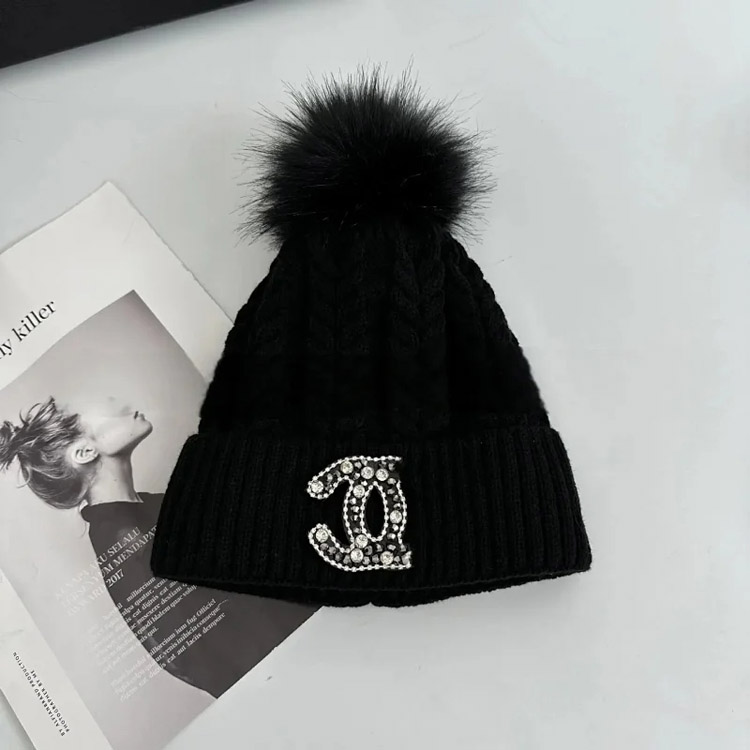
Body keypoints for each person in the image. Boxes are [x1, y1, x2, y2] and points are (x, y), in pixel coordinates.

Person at [0, 396, 314, 698]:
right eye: (103, 410)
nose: (122, 404)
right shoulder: (123, 537)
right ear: (84, 452)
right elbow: (200, 653)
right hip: (300, 674)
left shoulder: (146, 510)